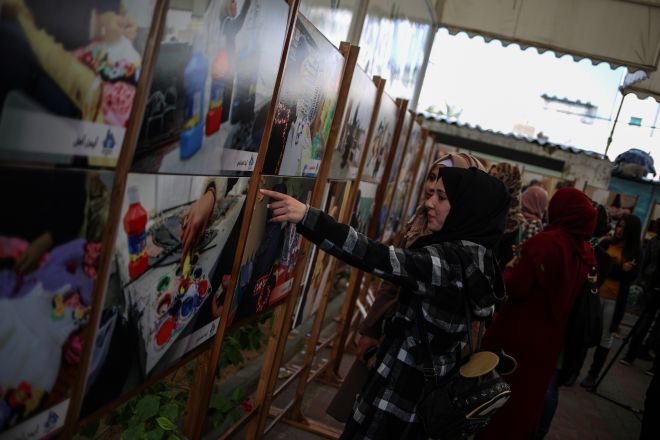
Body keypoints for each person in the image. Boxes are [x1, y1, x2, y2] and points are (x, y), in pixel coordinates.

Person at [261, 162, 510, 439]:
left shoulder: (450, 263)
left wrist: (307, 217)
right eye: (432, 193)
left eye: (441, 197)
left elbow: (377, 256)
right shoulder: (482, 259)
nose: (429, 202)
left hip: (400, 397)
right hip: (420, 395)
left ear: (467, 208)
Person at [476, 188, 597, 440]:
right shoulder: (587, 254)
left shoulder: (545, 242)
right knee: (526, 403)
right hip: (550, 342)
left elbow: (516, 288)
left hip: (517, 334)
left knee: (495, 398)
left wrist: (510, 268)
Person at [581, 214, 642, 388]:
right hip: (595, 293)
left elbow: (630, 277)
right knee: (585, 331)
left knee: (605, 338)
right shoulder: (606, 243)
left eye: (624, 227)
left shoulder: (635, 252)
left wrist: (612, 269)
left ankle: (592, 375)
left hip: (614, 300)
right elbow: (596, 267)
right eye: (619, 226)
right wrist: (619, 268)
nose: (619, 230)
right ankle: (574, 370)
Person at [620, 222, 660, 368]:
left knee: (645, 319)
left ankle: (632, 354)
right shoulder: (654, 241)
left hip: (649, 282)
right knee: (648, 321)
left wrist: (642, 278)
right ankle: (642, 352)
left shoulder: (655, 240)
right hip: (651, 284)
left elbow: (646, 262)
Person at [488, 162, 525, 267]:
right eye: (491, 175)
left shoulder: (516, 223)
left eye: (496, 176)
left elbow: (513, 257)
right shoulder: (483, 208)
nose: (491, 180)